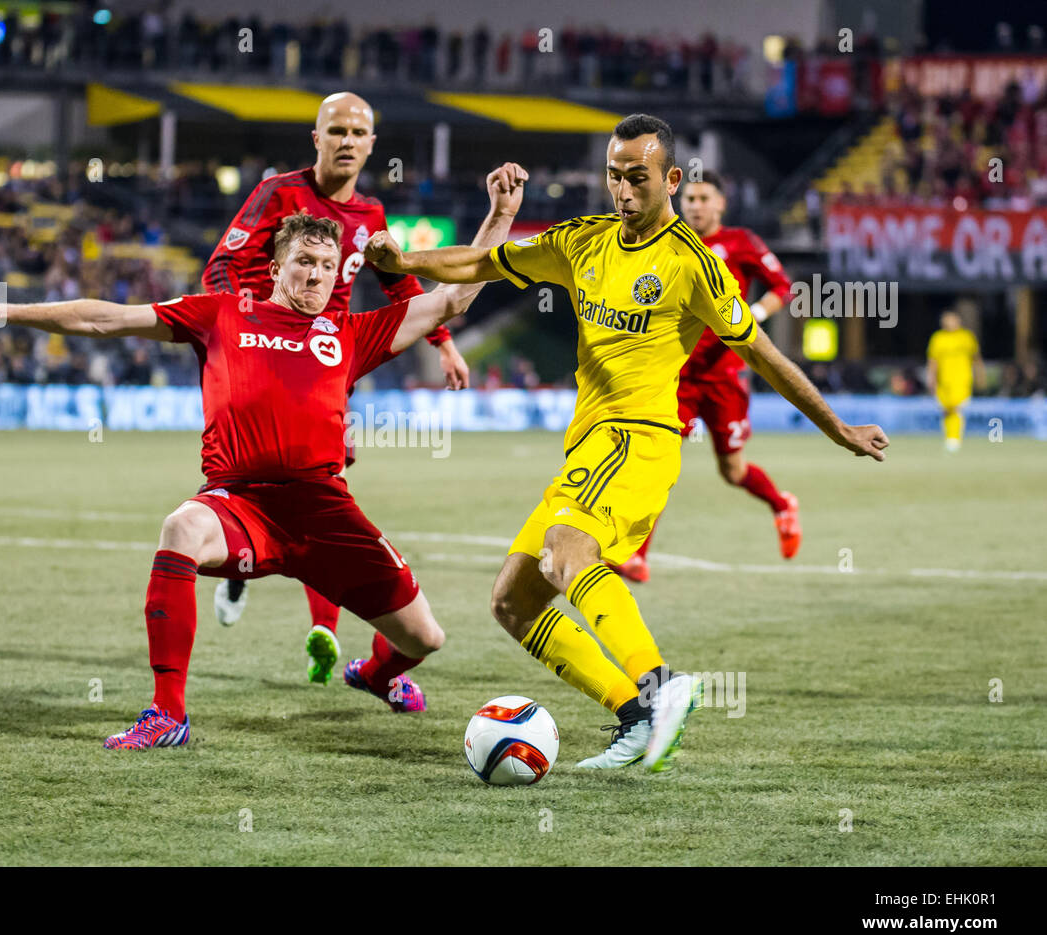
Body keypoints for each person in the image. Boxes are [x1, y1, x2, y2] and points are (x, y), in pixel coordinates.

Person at [0, 165, 527, 750]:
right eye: (304, 262)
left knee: (426, 639)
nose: (317, 275)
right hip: (239, 505)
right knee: (181, 527)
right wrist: (7, 312)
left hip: (324, 512)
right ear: (275, 266)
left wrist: (500, 216)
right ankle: (167, 714)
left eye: (327, 266)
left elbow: (451, 299)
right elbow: (104, 318)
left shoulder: (350, 333)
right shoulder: (220, 313)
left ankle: (373, 675)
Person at [363, 114, 888, 772]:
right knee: (512, 601)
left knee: (566, 550)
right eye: (614, 175)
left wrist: (836, 426)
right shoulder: (582, 240)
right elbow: (484, 262)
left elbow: (761, 353)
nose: (623, 189)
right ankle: (636, 717)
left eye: (637, 177)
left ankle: (659, 684)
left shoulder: (693, 263)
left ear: (670, 178)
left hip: (640, 442)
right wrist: (405, 259)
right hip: (587, 449)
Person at [203, 92, 472, 680]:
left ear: (372, 144)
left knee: (324, 489)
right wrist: (240, 322)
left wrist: (444, 343)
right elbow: (222, 265)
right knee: (259, 485)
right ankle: (243, 573)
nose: (348, 140)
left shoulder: (373, 217)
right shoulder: (278, 194)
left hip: (328, 365)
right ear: (317, 138)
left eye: (358, 131)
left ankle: (322, 626)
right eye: (337, 130)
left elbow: (401, 291)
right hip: (262, 357)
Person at [614, 169, 799, 585]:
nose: (695, 206)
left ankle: (781, 504)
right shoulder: (669, 239)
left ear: (721, 203)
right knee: (657, 467)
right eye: (690, 199)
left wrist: (754, 315)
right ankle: (636, 556)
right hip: (677, 378)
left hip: (724, 377)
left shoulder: (741, 243)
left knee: (732, 472)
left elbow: (782, 286)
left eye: (703, 199)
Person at [926, 310, 986, 451]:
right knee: (946, 410)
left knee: (956, 407)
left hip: (962, 379)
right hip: (943, 381)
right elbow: (932, 361)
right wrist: (931, 378)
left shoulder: (966, 337)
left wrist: (980, 376)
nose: (948, 323)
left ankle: (954, 438)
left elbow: (976, 358)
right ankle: (950, 437)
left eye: (951, 320)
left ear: (958, 321)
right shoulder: (938, 338)